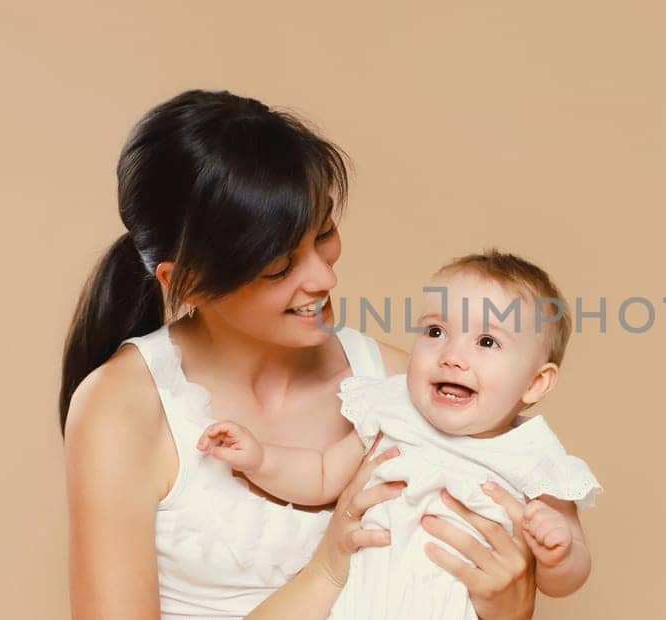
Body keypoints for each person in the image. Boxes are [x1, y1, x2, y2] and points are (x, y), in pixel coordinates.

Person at [60, 89, 539, 619]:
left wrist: (511, 604)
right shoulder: (123, 409)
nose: (325, 277)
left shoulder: (404, 386)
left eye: (325, 233)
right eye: (280, 268)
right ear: (188, 283)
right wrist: (328, 570)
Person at [198, 251, 601, 619]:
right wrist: (261, 459)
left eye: (486, 341)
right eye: (435, 332)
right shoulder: (392, 409)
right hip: (359, 604)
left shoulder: (533, 456)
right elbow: (322, 475)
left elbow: (565, 577)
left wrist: (558, 552)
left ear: (535, 383)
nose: (452, 356)